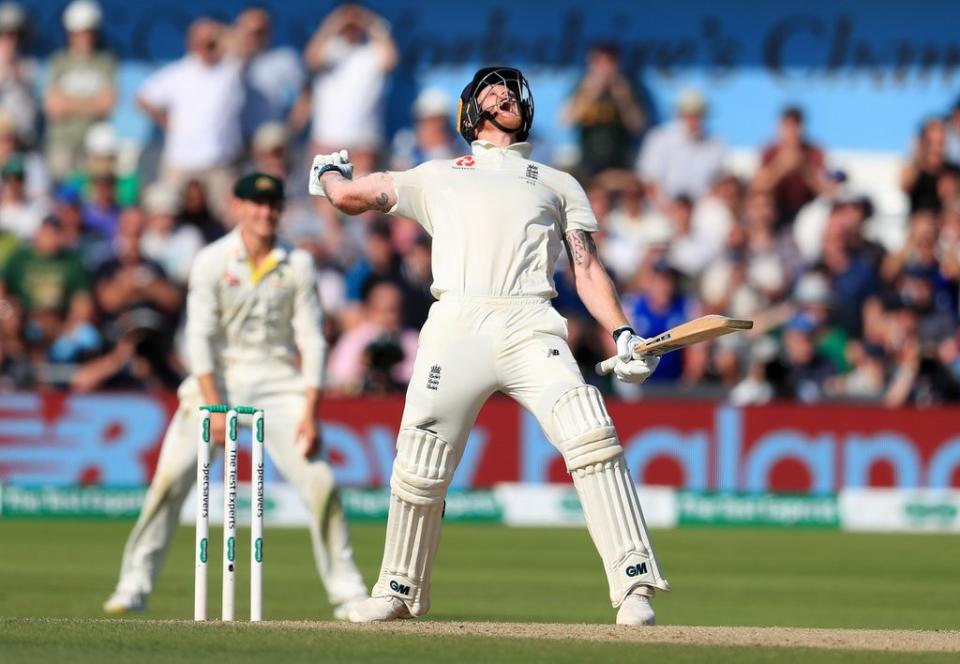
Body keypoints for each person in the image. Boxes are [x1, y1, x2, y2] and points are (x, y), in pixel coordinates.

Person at [311, 66, 668, 625]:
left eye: (510, 89)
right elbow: (355, 197)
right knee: (421, 459)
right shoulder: (435, 175)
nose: (502, 92)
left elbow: (587, 267)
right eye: (489, 89)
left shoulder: (557, 181)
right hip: (455, 321)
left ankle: (634, 584)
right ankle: (398, 590)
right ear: (470, 111)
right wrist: (330, 174)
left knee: (590, 430)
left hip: (530, 321)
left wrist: (622, 332)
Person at [103, 172, 368, 618]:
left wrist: (310, 412)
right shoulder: (211, 260)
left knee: (321, 484)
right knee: (168, 481)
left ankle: (348, 593)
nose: (265, 212)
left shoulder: (297, 264)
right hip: (216, 381)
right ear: (239, 206)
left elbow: (313, 341)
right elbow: (199, 341)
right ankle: (133, 586)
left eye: (273, 204)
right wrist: (215, 408)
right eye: (256, 203)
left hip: (277, 382)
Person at [137, 18, 243, 219]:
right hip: (180, 161)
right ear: (191, 43)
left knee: (227, 218)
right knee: (168, 216)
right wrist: (165, 121)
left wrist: (218, 32)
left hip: (218, 162)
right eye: (201, 42)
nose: (207, 47)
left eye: (211, 42)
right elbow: (143, 98)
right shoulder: (179, 73)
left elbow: (241, 43)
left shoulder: (229, 69)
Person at [43, 0, 116, 180]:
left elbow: (107, 104)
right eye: (79, 33)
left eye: (88, 32)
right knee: (62, 195)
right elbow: (53, 107)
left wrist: (69, 103)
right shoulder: (59, 61)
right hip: (62, 141)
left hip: (94, 143)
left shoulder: (106, 62)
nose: (84, 38)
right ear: (70, 34)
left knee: (91, 193)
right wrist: (91, 104)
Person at [562, 42, 647, 176]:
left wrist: (623, 98)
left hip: (620, 161)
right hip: (588, 161)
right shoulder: (582, 87)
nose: (605, 68)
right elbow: (566, 122)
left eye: (610, 62)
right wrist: (590, 92)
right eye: (599, 62)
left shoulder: (627, 87)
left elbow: (638, 127)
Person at [637, 88, 725, 205]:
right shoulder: (659, 138)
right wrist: (666, 208)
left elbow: (719, 185)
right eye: (689, 114)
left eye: (698, 114)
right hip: (661, 208)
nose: (694, 120)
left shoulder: (715, 144)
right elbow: (648, 181)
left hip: (701, 209)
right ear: (680, 114)